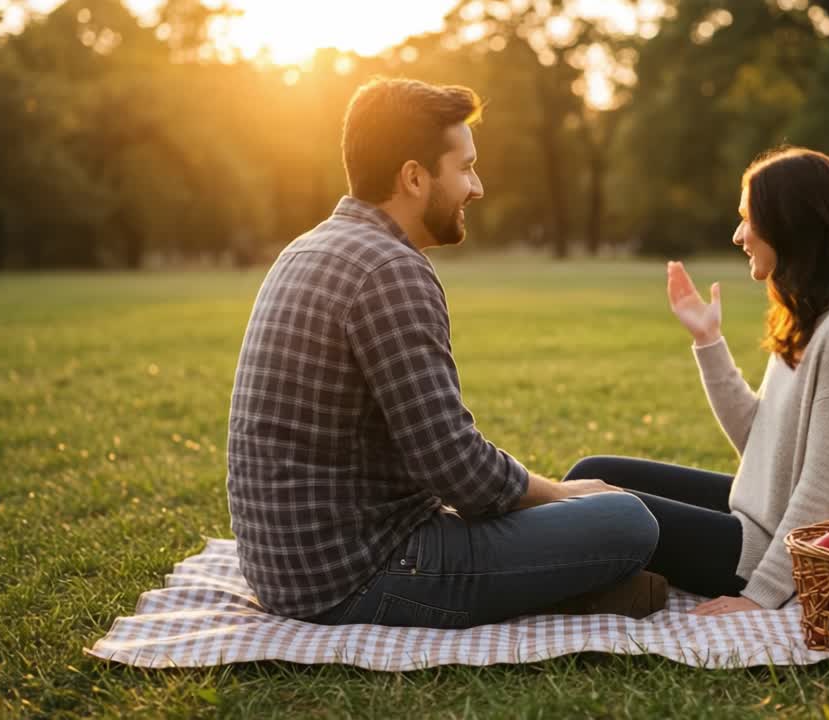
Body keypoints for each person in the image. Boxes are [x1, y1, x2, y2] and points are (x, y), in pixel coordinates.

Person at [226, 77, 665, 630]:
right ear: (414, 176)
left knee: (594, 501)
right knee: (627, 521)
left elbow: (436, 463)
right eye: (465, 168)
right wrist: (561, 494)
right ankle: (570, 585)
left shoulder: (310, 246)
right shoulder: (389, 269)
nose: (477, 187)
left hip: (288, 570)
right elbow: (461, 472)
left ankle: (570, 586)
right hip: (359, 574)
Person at [564, 147, 829, 615]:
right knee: (591, 475)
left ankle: (578, 582)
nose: (738, 235)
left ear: (789, 223)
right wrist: (707, 339)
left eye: (749, 219)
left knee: (596, 509)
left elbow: (827, 491)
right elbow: (759, 438)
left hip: (764, 553)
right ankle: (616, 584)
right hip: (754, 515)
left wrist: (759, 596)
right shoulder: (815, 317)